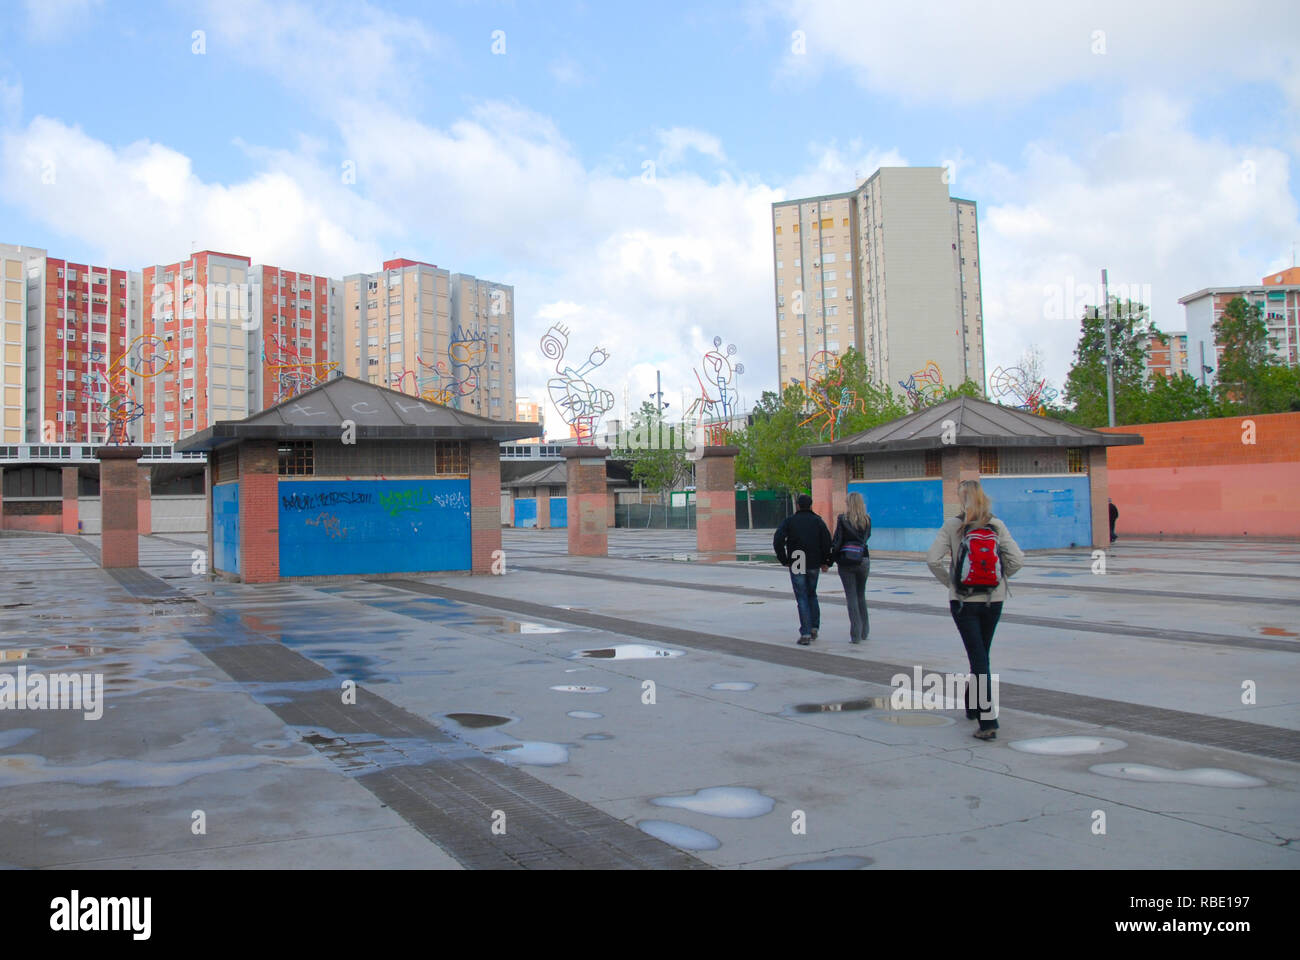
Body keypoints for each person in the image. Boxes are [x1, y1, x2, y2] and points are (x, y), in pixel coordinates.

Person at [926, 479, 1024, 741]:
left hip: (964, 602)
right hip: (994, 599)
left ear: (962, 499)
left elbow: (932, 559)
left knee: (979, 658)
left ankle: (988, 720)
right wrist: (1001, 579)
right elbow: (1018, 559)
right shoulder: (996, 525)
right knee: (981, 653)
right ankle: (973, 705)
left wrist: (952, 583)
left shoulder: (952, 526)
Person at [773, 493, 832, 646]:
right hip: (814, 561)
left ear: (798, 505)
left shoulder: (790, 521)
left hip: (798, 560)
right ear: (811, 505)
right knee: (812, 594)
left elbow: (778, 540)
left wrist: (784, 559)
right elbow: (827, 542)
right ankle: (814, 627)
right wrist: (826, 561)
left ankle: (805, 633)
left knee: (802, 597)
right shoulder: (818, 521)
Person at [830, 491, 871, 644]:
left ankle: (855, 635)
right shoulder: (867, 520)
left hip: (847, 560)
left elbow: (837, 540)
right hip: (863, 558)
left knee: (851, 597)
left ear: (849, 503)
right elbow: (867, 538)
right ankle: (864, 631)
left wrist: (831, 559)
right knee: (861, 595)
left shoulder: (843, 519)